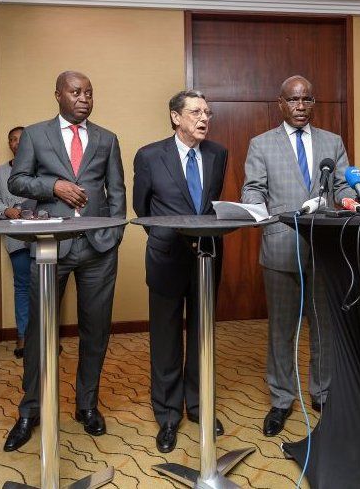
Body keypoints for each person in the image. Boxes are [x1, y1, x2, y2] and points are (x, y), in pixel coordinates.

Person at [4, 71, 127, 451]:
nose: (84, 98)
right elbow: (17, 181)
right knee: (41, 332)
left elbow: (118, 189)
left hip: (98, 250)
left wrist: (115, 233)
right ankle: (31, 410)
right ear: (58, 94)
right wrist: (52, 186)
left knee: (96, 331)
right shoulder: (36, 135)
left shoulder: (107, 138)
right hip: (49, 246)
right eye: (76, 92)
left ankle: (86, 406)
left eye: (89, 92)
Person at [241, 75, 356, 437]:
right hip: (280, 246)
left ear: (314, 103)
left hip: (324, 247)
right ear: (281, 103)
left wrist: (349, 199)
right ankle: (281, 398)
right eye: (293, 100)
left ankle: (321, 392)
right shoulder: (261, 144)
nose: (301, 106)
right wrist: (256, 211)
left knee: (323, 327)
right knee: (282, 329)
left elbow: (341, 185)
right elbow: (253, 190)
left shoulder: (331, 141)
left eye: (307, 99)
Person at [133, 90, 228, 453]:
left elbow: (210, 204)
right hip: (166, 256)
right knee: (167, 338)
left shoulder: (218, 153)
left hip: (207, 256)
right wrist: (164, 236)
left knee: (203, 334)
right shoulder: (150, 155)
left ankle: (199, 405)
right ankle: (168, 414)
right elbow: (141, 207)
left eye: (207, 112)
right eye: (195, 112)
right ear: (176, 117)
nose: (204, 118)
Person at [0, 126, 35, 357]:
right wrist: (6, 210)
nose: (16, 142)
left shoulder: (42, 168)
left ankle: (45, 336)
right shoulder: (0, 172)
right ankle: (23, 336)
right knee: (23, 285)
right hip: (16, 238)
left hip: (42, 236)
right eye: (12, 139)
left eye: (20, 138)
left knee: (48, 284)